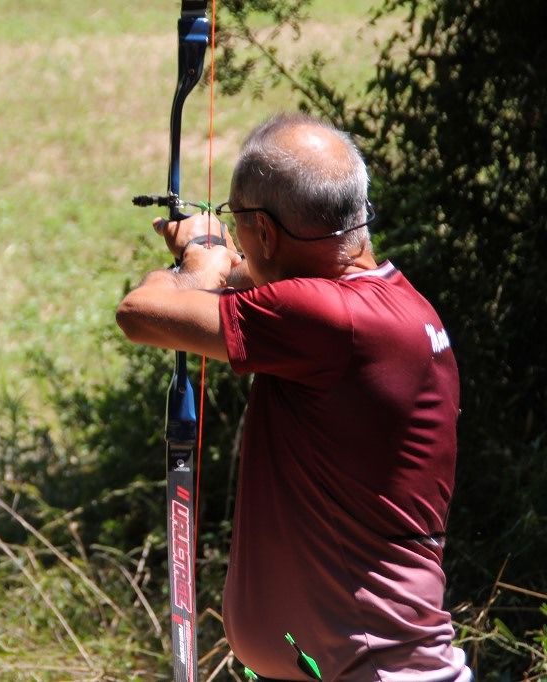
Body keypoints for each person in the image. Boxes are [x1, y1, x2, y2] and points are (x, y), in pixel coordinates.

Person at [116, 113, 472, 681]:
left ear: (264, 232)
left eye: (240, 225)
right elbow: (276, 290)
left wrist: (199, 258)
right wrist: (230, 262)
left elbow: (140, 314)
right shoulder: (389, 304)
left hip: (373, 667)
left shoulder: (330, 318)